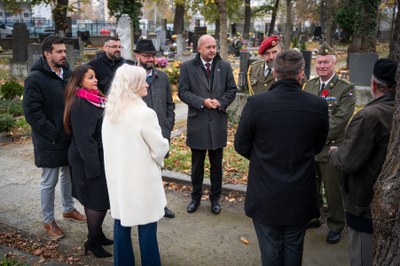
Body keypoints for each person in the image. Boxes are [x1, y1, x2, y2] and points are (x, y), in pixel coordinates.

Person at [234, 50, 329, 265]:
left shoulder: (257, 104)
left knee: (270, 251)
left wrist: (264, 158)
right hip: (299, 190)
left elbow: (241, 145)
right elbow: (317, 146)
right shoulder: (318, 106)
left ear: (275, 72)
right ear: (301, 74)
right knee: (294, 248)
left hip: (265, 191)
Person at [329, 59, 397, 266]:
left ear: (373, 84)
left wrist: (335, 152)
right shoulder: (393, 110)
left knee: (361, 256)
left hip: (364, 201)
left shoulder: (369, 116)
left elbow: (348, 161)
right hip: (386, 200)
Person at [102, 64, 169, 266]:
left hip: (119, 179)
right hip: (142, 181)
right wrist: (161, 153)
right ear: (132, 85)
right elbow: (159, 148)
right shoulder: (144, 113)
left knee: (121, 224)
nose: (147, 83)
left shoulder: (111, 112)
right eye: (142, 80)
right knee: (147, 229)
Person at [22, 36, 86, 240]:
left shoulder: (68, 74)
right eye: (59, 52)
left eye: (64, 51)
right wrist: (53, 132)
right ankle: (48, 221)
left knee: (68, 175)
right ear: (47, 53)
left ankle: (68, 208)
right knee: (49, 181)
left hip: (69, 136)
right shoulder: (35, 79)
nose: (63, 55)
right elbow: (32, 112)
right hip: (49, 139)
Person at [303, 42, 356, 244]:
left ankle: (336, 225)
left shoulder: (346, 89)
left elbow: (340, 119)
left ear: (334, 64)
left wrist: (313, 136)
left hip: (331, 148)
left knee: (333, 189)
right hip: (310, 148)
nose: (322, 66)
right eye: (319, 62)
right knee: (310, 186)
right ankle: (314, 217)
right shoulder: (310, 85)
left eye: (326, 62)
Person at [178, 34, 237, 215]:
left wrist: (220, 102)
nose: (212, 50)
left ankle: (215, 199)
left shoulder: (224, 66)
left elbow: (231, 90)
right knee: (197, 165)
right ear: (199, 49)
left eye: (214, 46)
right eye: (208, 47)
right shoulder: (188, 67)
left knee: (216, 166)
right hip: (198, 123)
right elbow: (183, 92)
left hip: (217, 122)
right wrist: (202, 101)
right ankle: (195, 198)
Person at [63, 65, 112, 258]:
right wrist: (93, 168)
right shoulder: (80, 103)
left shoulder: (94, 99)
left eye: (95, 76)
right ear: (79, 81)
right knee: (98, 201)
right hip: (87, 158)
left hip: (95, 155)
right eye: (90, 77)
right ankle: (91, 242)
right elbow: (85, 139)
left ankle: (97, 234)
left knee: (94, 199)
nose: (96, 80)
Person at [134, 39, 176, 219]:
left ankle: (161, 205)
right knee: (141, 172)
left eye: (153, 55)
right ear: (137, 56)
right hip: (139, 137)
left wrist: (168, 124)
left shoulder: (162, 77)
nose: (150, 59)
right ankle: (141, 206)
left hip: (160, 134)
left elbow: (170, 104)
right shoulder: (131, 79)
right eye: (146, 56)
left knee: (158, 171)